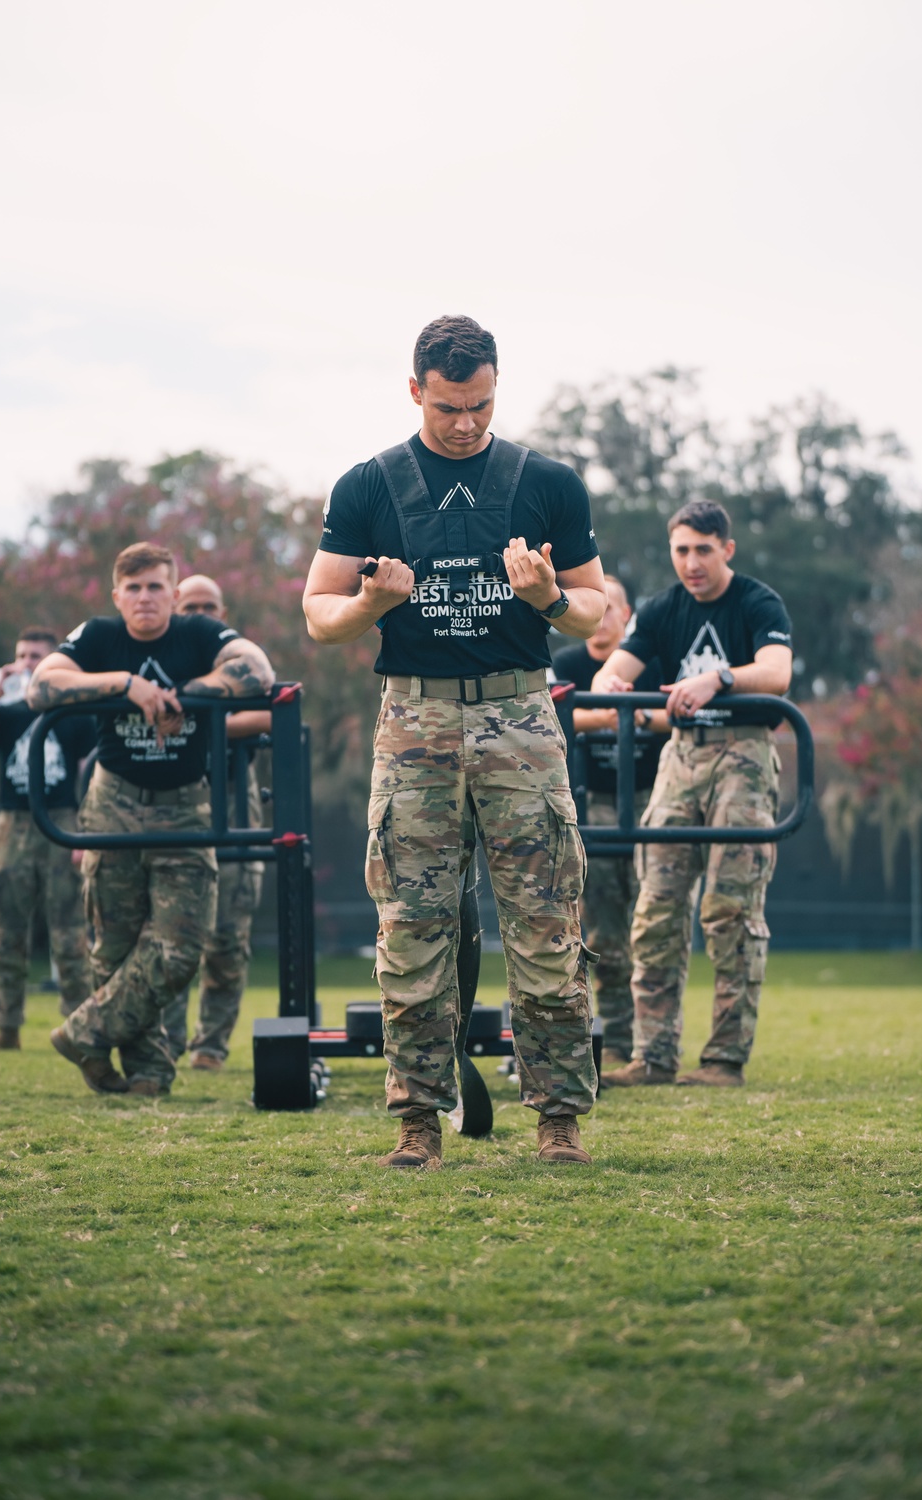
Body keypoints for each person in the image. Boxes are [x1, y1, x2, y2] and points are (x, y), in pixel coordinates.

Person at [303, 314, 606, 1167]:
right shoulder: (368, 486)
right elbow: (320, 614)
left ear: (497, 385)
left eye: (478, 404)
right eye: (447, 407)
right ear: (415, 392)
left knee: (546, 923)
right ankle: (415, 1123)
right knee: (412, 927)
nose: (465, 422)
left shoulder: (547, 482)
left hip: (519, 717)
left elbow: (598, 608)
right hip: (417, 720)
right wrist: (370, 606)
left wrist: (550, 598)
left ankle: (557, 1119)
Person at [27, 542, 274, 1097]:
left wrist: (187, 695)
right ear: (117, 595)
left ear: (174, 593)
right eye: (133, 588)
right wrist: (124, 685)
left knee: (180, 946)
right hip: (113, 801)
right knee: (114, 948)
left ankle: (84, 1032)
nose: (144, 598)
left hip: (185, 803)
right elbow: (41, 685)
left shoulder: (195, 636)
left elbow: (256, 672)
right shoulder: (98, 636)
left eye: (155, 586)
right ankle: (150, 1071)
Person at [591, 499, 792, 1088]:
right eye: (682, 550)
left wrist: (719, 677)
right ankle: (651, 1058)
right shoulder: (660, 609)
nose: (691, 562)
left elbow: (777, 671)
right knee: (654, 909)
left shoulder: (757, 601)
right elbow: (611, 673)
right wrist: (615, 682)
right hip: (680, 758)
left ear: (726, 549)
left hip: (744, 754)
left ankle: (723, 1059)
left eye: (703, 549)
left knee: (729, 910)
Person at [551, 576, 667, 1069]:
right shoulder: (567, 664)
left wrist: (620, 714)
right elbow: (554, 715)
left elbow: (677, 712)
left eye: (610, 610)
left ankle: (656, 1043)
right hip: (592, 800)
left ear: (625, 615)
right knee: (602, 929)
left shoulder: (650, 660)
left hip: (652, 797)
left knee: (655, 920)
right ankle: (616, 1038)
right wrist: (630, 715)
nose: (600, 622)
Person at [160, 573, 269, 1071]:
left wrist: (199, 722)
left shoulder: (240, 659)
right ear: (176, 609)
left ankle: (210, 1047)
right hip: (173, 802)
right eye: (191, 605)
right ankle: (165, 1041)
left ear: (222, 614)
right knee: (170, 934)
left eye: (210, 606)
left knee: (228, 936)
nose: (201, 614)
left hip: (234, 801)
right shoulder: (165, 658)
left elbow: (272, 711)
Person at [0, 627, 94, 1051]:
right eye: (21, 655)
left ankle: (79, 1028)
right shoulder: (6, 713)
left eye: (35, 656)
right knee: (5, 930)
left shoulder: (69, 713)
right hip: (13, 824)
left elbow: (85, 772)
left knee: (70, 931)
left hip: (61, 820)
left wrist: (83, 831)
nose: (26, 662)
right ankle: (7, 1028)